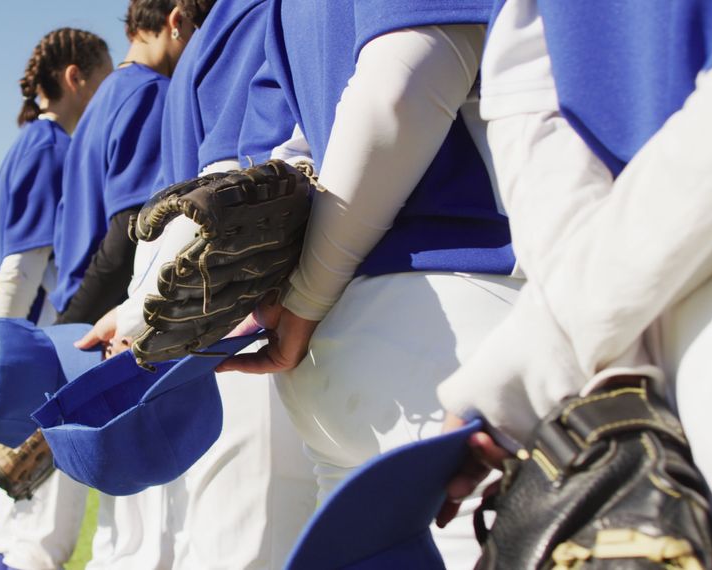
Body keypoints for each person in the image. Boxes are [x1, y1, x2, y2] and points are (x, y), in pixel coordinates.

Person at [218, 0, 522, 565]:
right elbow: (403, 83)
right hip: (453, 311)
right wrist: (306, 296)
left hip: (323, 353)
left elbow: (267, 172)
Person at [435, 1, 712, 565]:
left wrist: (566, 343)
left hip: (629, 307)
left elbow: (528, 101)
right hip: (635, 307)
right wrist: (584, 344)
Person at [76, 0, 317, 567]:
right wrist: (141, 313)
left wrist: (137, 310)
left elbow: (167, 215)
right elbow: (227, 195)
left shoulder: (194, 53)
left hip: (189, 318)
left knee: (173, 542)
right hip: (247, 318)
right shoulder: (256, 15)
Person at [47, 2, 197, 567]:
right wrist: (78, 329)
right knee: (150, 537)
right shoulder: (150, 94)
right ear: (175, 19)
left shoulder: (102, 100)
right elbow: (132, 230)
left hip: (89, 322)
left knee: (122, 534)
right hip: (116, 329)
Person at [0, 27, 112, 570]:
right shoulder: (54, 147)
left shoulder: (28, 143)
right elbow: (21, 266)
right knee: (44, 535)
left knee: (18, 527)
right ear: (75, 78)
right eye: (103, 82)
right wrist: (4, 366)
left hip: (21, 356)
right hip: (37, 361)